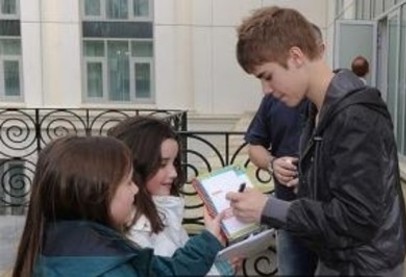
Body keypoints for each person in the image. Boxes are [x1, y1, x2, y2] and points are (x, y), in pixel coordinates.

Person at [227, 6, 406, 276]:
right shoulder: (319, 109)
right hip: (340, 259)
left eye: (267, 76)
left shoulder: (356, 116)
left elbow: (357, 219)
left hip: (364, 266)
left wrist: (270, 208)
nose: (266, 90)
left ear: (296, 56)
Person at [12, 136, 225, 277]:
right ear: (95, 194)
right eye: (128, 182)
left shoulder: (65, 243)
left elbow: (164, 272)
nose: (135, 189)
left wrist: (208, 241)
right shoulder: (109, 267)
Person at [244, 23, 324, 276]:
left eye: (269, 77)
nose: (268, 89)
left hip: (330, 220)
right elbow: (254, 145)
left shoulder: (343, 107)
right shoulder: (272, 100)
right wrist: (271, 163)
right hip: (287, 213)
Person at [107, 116, 235, 276]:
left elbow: (184, 265)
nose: (174, 173)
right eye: (162, 164)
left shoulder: (163, 209)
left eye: (174, 163)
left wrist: (217, 263)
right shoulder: (134, 230)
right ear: (135, 166)